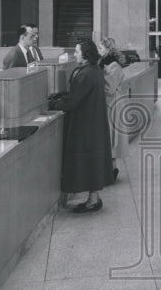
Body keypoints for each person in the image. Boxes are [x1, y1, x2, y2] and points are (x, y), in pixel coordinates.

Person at [47, 39, 113, 213]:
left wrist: (52, 104)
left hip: (85, 124)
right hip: (94, 121)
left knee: (87, 159)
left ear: (85, 54)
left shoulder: (85, 74)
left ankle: (93, 201)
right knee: (93, 159)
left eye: (76, 51)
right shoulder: (95, 70)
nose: (74, 54)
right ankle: (94, 198)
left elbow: (72, 102)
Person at [100, 36, 127, 180]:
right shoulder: (108, 63)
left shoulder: (112, 65)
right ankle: (110, 168)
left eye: (101, 48)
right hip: (111, 103)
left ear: (108, 49)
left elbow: (109, 88)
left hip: (112, 104)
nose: (99, 51)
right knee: (110, 137)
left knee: (112, 138)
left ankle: (112, 169)